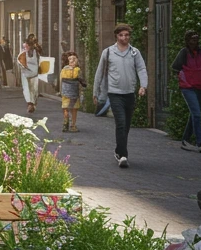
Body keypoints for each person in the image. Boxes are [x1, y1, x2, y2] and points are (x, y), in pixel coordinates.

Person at [92, 23, 148, 169]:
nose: (124, 38)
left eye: (127, 35)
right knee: (121, 123)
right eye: (121, 35)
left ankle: (118, 150)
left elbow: (141, 68)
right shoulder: (108, 52)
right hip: (114, 93)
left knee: (127, 125)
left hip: (129, 93)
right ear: (116, 36)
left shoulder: (134, 52)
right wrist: (96, 92)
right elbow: (99, 73)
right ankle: (123, 155)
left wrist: (143, 86)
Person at [171, 31, 201, 153]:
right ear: (188, 41)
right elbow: (175, 67)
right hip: (188, 87)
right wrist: (183, 77)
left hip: (200, 87)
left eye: (197, 39)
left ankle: (185, 140)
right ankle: (200, 142)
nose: (195, 41)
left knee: (194, 113)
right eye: (193, 39)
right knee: (197, 114)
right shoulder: (184, 53)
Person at [60, 51, 86, 132]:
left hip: (65, 93)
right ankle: (73, 125)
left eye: (74, 59)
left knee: (65, 108)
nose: (73, 61)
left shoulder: (63, 70)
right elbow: (81, 79)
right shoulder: (77, 70)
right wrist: (84, 84)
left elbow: (61, 80)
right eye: (71, 59)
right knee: (74, 109)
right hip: (74, 93)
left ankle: (65, 123)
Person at [18, 34, 43, 114]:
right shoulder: (23, 53)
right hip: (25, 73)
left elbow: (42, 54)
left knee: (34, 90)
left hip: (34, 73)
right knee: (26, 89)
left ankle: (32, 103)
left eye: (28, 45)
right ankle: (30, 104)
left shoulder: (36, 51)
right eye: (27, 45)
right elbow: (19, 61)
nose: (27, 47)